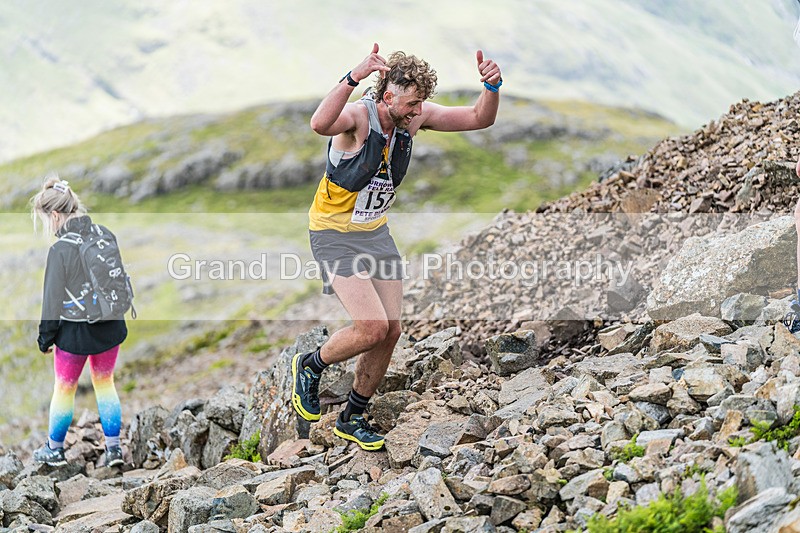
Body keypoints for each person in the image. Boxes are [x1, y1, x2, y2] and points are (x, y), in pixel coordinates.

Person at [291, 43, 501, 450]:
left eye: (422, 102)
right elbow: (319, 123)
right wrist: (354, 75)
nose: (418, 110)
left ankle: (352, 416)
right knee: (371, 327)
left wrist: (492, 86)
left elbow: (479, 118)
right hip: (334, 234)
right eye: (413, 102)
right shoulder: (358, 118)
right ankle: (310, 365)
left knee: (391, 331)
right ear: (388, 96)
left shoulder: (413, 119)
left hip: (375, 233)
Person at [31, 177, 128, 467]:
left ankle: (54, 449)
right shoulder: (105, 234)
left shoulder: (60, 251)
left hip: (75, 334)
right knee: (105, 383)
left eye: (46, 220)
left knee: (64, 388)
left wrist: (45, 339)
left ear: (56, 215)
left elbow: (51, 302)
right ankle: (113, 451)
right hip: (110, 327)